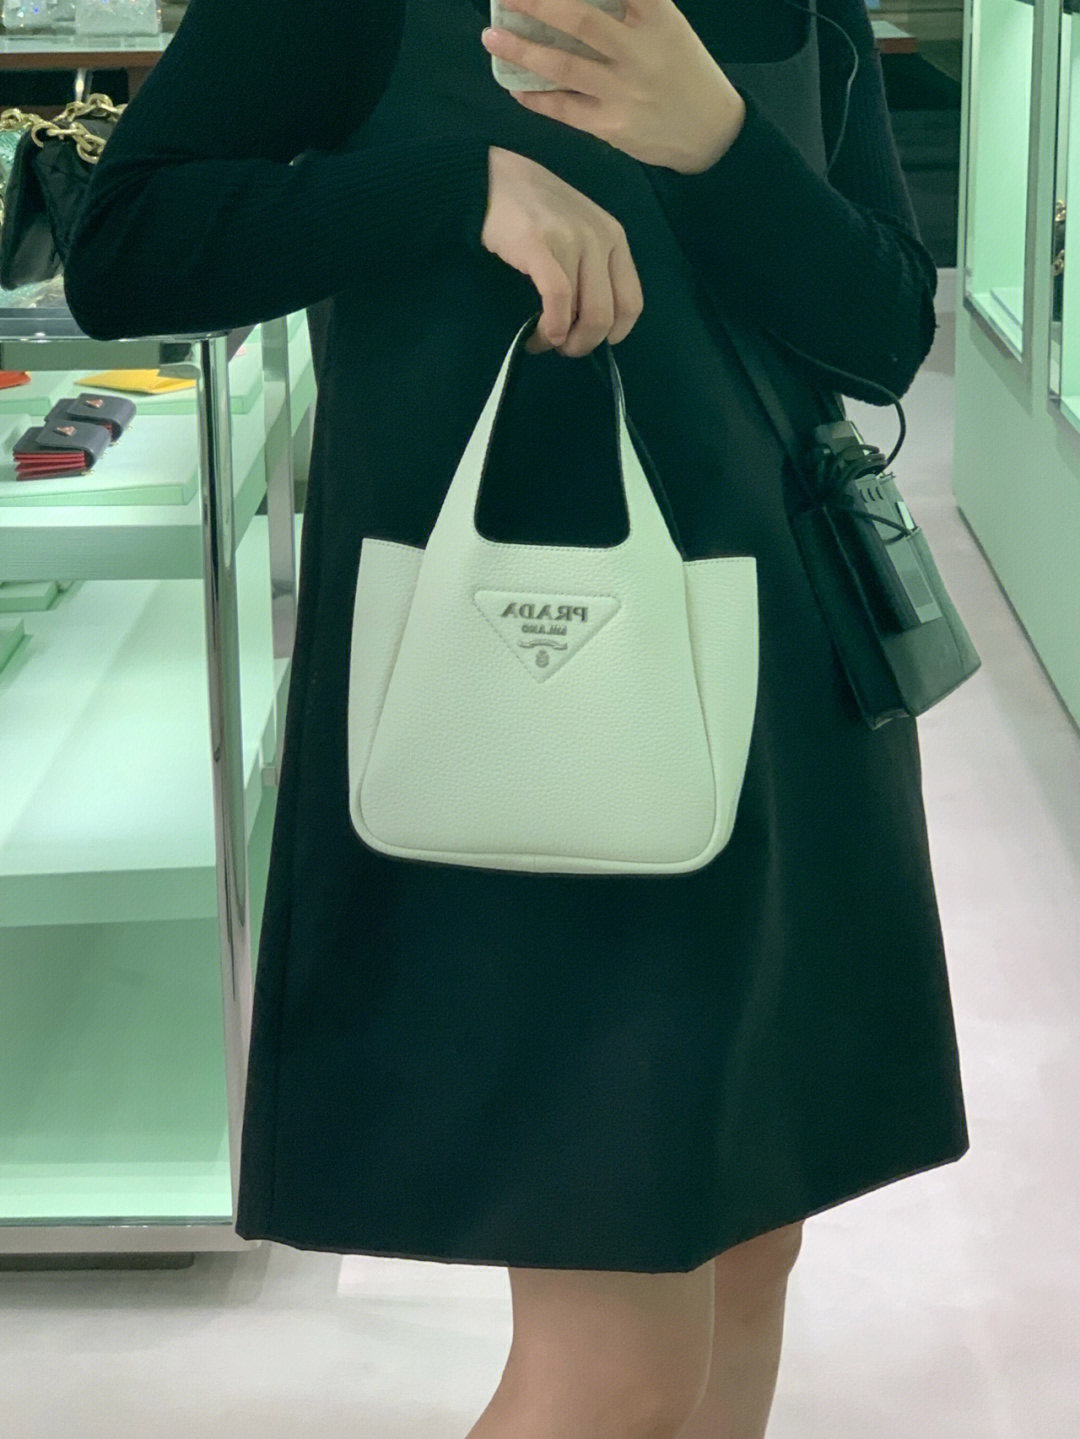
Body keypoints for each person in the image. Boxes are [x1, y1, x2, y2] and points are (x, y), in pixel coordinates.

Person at [63, 2, 969, 1436]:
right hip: (537, 699)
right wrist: (460, 187)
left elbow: (883, 328)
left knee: (752, 1259)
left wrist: (718, 142)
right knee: (618, 1369)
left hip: (788, 690)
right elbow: (126, 247)